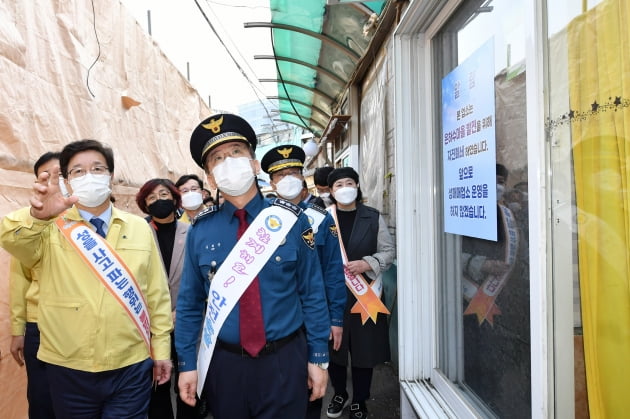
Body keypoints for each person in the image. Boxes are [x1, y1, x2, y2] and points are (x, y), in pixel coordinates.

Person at [0, 139, 173, 418]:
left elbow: (157, 295)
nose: (89, 176)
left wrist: (162, 348)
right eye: (78, 172)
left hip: (129, 365)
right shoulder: (48, 227)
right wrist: (37, 216)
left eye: (97, 168)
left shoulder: (139, 228)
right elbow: (9, 238)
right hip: (68, 367)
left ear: (111, 176)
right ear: (67, 182)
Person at [176, 113, 330, 419]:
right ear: (210, 178)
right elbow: (190, 304)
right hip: (226, 365)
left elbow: (312, 292)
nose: (228, 162)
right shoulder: (200, 231)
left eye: (236, 152)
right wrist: (187, 364)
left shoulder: (290, 219)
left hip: (285, 360)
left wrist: (319, 357)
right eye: (217, 159)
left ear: (254, 162)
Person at [260, 145, 346, 419]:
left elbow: (333, 273)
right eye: (281, 174)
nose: (288, 178)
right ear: (272, 182)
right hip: (278, 321)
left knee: (313, 387)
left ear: (303, 177)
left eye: (294, 172)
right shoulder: (262, 222)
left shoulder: (321, 220)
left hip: (314, 317)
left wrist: (336, 319)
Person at [325, 167, 395, 419]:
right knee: (336, 350)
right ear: (331, 191)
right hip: (334, 296)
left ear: (356, 186)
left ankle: (360, 400)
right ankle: (340, 393)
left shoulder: (372, 216)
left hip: (367, 295)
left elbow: (388, 251)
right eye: (338, 185)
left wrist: (368, 263)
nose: (344, 188)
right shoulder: (323, 218)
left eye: (349, 183)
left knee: (365, 351)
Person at [136, 179, 199, 419]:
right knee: (157, 384)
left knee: (188, 380)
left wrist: (180, 310)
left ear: (174, 199)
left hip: (187, 321)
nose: (158, 200)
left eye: (163, 194)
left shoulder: (192, 231)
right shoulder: (138, 234)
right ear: (144, 204)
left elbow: (202, 279)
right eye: (151, 198)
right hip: (151, 325)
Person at [9, 151, 62, 419]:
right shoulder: (25, 222)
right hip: (38, 326)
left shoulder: (89, 219)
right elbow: (20, 279)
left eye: (61, 174)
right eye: (47, 175)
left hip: (82, 325)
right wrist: (18, 329)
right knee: (42, 401)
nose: (54, 180)